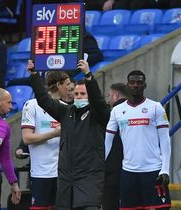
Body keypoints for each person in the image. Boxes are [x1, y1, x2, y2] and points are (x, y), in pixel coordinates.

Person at [27, 59, 110, 210]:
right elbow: (44, 101)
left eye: (83, 94)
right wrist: (34, 75)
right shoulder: (66, 112)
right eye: (76, 93)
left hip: (89, 178)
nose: (78, 96)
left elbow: (98, 100)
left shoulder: (98, 114)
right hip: (66, 179)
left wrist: (88, 76)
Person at [105, 70, 172, 209]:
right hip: (128, 172)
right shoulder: (117, 111)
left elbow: (165, 140)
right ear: (127, 85)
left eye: (139, 82)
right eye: (132, 82)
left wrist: (165, 169)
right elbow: (108, 141)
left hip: (153, 171)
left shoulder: (155, 107)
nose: (136, 85)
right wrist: (99, 166)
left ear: (145, 85)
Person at [21, 71, 73, 210]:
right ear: (58, 85)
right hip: (41, 173)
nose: (70, 87)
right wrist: (55, 133)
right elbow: (26, 138)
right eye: (67, 84)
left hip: (64, 174)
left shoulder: (69, 109)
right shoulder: (32, 105)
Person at [102, 82, 130, 210]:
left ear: (115, 95)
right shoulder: (135, 112)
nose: (108, 99)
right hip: (132, 167)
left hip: (111, 167)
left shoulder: (109, 113)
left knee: (110, 203)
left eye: (109, 95)